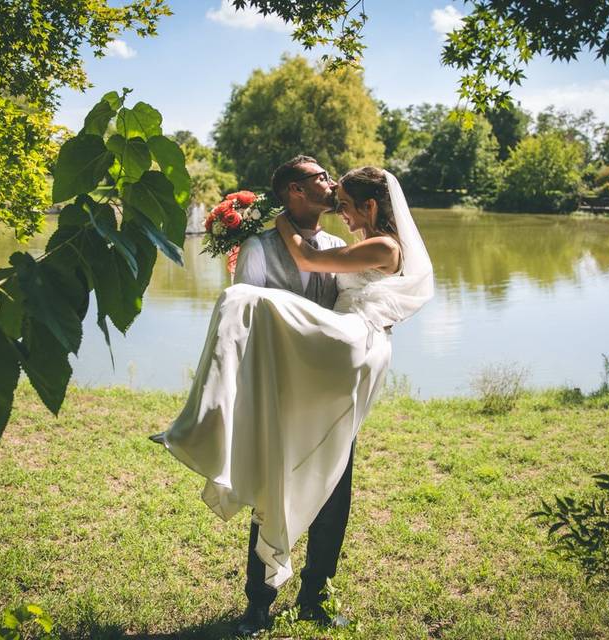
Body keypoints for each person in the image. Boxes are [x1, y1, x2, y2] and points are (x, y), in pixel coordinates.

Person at [161, 161, 433, 636]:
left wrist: (288, 228)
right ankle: (258, 605)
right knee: (274, 490)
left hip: (329, 377)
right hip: (282, 385)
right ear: (294, 191)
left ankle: (316, 597)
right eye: (322, 181)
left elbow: (352, 294)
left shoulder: (343, 246)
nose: (332, 192)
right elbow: (252, 313)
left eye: (342, 195)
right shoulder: (260, 246)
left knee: (334, 488)